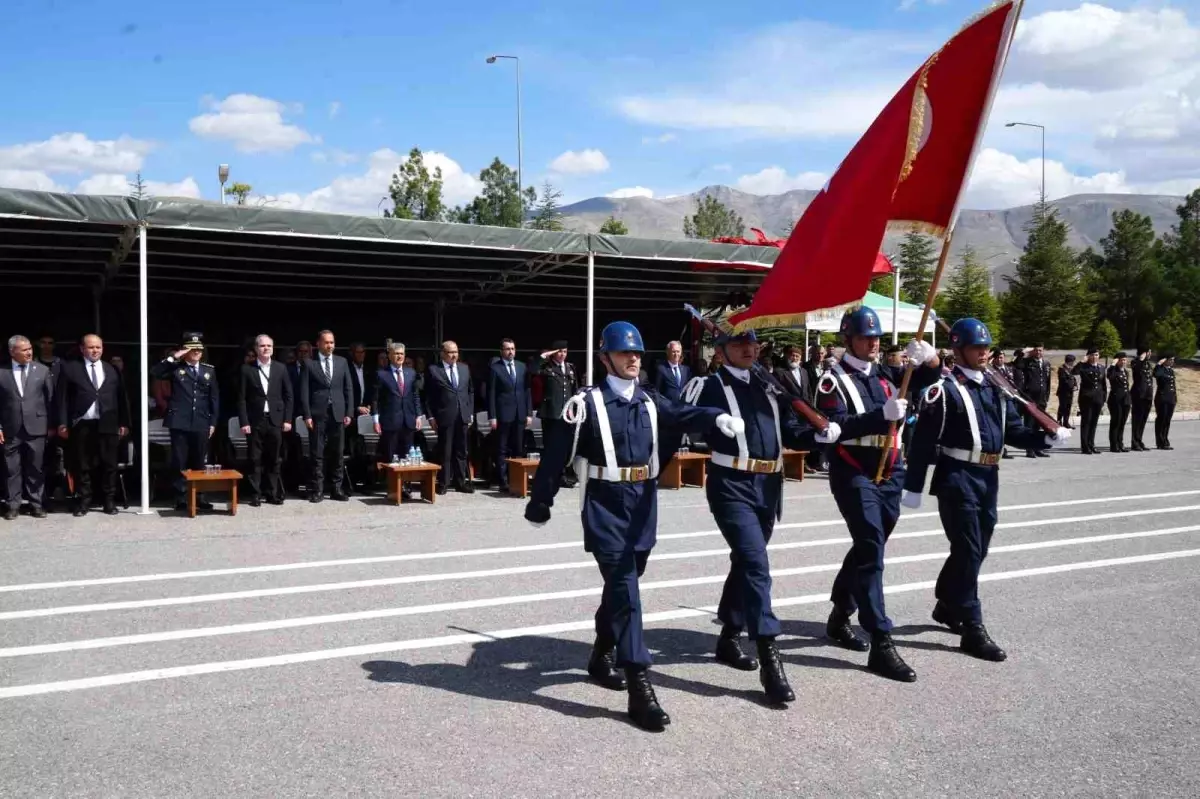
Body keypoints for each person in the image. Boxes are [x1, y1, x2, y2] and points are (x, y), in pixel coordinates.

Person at [524, 321, 739, 731]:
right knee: (626, 588)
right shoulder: (585, 404)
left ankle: (600, 651)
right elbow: (555, 454)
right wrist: (541, 501)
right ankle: (640, 686)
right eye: (624, 353)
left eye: (637, 352)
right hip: (605, 505)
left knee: (624, 585)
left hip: (642, 504)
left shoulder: (651, 400)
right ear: (605, 358)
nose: (633, 358)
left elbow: (684, 413)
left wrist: (716, 418)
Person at [904, 318, 1071, 660]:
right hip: (957, 477)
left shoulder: (995, 387)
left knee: (978, 549)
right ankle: (972, 626)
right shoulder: (946, 390)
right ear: (958, 350)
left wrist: (1044, 437)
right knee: (967, 549)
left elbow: (1012, 430)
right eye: (977, 348)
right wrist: (914, 487)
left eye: (986, 348)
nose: (984, 353)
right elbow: (921, 442)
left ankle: (948, 602)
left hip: (988, 476)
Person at [691, 328, 841, 704]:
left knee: (746, 562)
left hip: (769, 486)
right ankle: (769, 654)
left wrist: (816, 436)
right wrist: (712, 419)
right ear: (722, 351)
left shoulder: (769, 385)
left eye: (751, 344)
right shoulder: (710, 385)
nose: (747, 349)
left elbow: (788, 432)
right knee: (757, 564)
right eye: (738, 343)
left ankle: (728, 635)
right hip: (732, 484)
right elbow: (688, 417)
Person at [817, 306, 940, 682]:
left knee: (870, 545)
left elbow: (925, 379)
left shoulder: (888, 375)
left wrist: (930, 358)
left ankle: (841, 610)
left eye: (876, 338)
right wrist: (880, 416)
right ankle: (881, 639)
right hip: (855, 471)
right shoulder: (831, 380)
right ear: (847, 339)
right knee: (871, 545)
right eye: (864, 337)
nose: (872, 343)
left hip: (891, 471)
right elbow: (832, 426)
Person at [56, 334, 130, 516]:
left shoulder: (112, 369)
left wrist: (124, 422)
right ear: (82, 349)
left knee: (109, 464)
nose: (95, 350)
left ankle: (109, 501)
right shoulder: (70, 369)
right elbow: (62, 398)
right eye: (91, 347)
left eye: (98, 347)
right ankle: (84, 501)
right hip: (82, 424)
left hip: (108, 423)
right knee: (82, 464)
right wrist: (62, 423)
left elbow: (122, 398)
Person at [150, 333, 219, 513]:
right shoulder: (175, 367)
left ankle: (200, 496)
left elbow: (214, 399)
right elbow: (156, 372)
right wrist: (175, 356)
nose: (196, 351)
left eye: (198, 349)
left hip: (201, 421)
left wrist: (213, 422)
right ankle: (180, 497)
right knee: (179, 461)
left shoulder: (208, 370)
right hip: (179, 421)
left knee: (200, 460)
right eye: (191, 348)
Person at [0, 335, 55, 519]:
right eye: (24, 350)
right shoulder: (2, 372)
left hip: (37, 427)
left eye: (30, 348)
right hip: (10, 428)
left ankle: (36, 503)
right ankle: (13, 505)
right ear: (12, 351)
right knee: (11, 469)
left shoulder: (42, 370)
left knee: (35, 467)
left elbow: (50, 400)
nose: (29, 352)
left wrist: (51, 425)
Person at [238, 334, 293, 507]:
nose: (266, 348)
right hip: (256, 420)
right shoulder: (247, 369)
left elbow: (288, 395)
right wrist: (244, 422)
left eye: (269, 346)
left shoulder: (281, 368)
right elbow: (241, 398)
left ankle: (272, 493)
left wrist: (287, 419)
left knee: (274, 458)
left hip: (275, 420)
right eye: (262, 346)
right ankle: (255, 494)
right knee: (255, 458)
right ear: (256, 349)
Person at [299, 330, 354, 502]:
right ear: (318, 344)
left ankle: (336, 488)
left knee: (337, 452)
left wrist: (349, 412)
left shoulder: (342, 362)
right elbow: (304, 391)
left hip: (338, 412)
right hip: (318, 413)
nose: (329, 345)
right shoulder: (309, 364)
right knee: (317, 453)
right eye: (326, 342)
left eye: (332, 342)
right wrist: (307, 415)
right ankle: (318, 489)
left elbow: (348, 389)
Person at [373, 342, 424, 498]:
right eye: (396, 353)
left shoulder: (410, 373)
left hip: (408, 420)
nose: (399, 356)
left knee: (407, 456)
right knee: (391, 456)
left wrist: (418, 415)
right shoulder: (381, 374)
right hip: (390, 420)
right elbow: (375, 399)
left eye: (402, 353)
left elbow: (415, 395)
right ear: (390, 355)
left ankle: (406, 488)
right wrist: (375, 419)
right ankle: (392, 488)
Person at [425, 340, 474, 494]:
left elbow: (470, 391)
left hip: (463, 415)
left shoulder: (464, 368)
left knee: (461, 450)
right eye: (450, 352)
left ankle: (461, 482)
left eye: (456, 352)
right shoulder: (434, 370)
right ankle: (443, 482)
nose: (454, 355)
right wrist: (431, 417)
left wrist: (469, 411)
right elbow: (428, 396)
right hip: (444, 415)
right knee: (445, 451)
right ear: (442, 354)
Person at [487, 338, 532, 493]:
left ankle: (517, 479)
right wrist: (492, 415)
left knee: (518, 448)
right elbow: (491, 393)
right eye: (507, 349)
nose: (511, 352)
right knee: (502, 448)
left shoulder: (521, 367)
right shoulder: (495, 368)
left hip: (520, 413)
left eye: (513, 348)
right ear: (501, 351)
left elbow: (526, 391)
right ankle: (503, 481)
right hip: (503, 414)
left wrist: (529, 412)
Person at [538, 341, 578, 487]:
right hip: (550, 413)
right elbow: (532, 369)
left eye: (565, 351)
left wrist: (573, 409)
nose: (562, 355)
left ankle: (562, 476)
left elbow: (575, 390)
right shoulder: (546, 367)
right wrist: (544, 355)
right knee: (549, 447)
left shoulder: (570, 367)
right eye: (560, 351)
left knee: (564, 447)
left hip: (566, 414)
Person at [1015, 344, 1051, 458]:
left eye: (1040, 350)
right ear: (1033, 351)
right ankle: (1029, 449)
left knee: (1038, 424)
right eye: (1036, 350)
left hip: (1041, 397)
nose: (1039, 352)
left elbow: (1047, 381)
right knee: (1029, 424)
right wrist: (1023, 353)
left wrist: (1046, 396)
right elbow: (1017, 365)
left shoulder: (1046, 364)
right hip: (1030, 397)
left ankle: (1037, 448)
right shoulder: (1027, 362)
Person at [1073, 349, 1106, 455]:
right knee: (1086, 422)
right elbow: (1074, 372)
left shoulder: (1101, 367)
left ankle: (1091, 444)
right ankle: (1085, 446)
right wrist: (1082, 361)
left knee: (1094, 423)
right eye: (1092, 355)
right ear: (1088, 356)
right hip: (1086, 398)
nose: (1095, 356)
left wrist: (1103, 398)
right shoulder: (1084, 367)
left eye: (1096, 354)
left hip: (1098, 398)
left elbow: (1103, 384)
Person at [1130, 348, 1155, 451]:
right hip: (1138, 395)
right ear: (1143, 353)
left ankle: (1139, 440)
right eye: (1148, 352)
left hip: (1147, 396)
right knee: (1137, 420)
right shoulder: (1135, 362)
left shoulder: (1147, 364)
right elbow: (1136, 372)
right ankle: (1134, 442)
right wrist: (1141, 359)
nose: (1150, 354)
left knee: (1143, 419)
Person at [1106, 352, 1131, 453]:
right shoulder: (1113, 370)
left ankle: (1120, 444)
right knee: (1116, 423)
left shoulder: (1125, 371)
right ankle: (1114, 445)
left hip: (1125, 400)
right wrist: (1112, 365)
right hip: (1115, 400)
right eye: (1122, 360)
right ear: (1117, 361)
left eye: (1125, 360)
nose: (1124, 362)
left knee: (1122, 423)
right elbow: (1110, 377)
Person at [1154, 355, 1177, 451]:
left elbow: (1173, 385)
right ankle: (1160, 442)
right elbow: (1156, 375)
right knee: (1161, 420)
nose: (1172, 361)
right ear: (1164, 360)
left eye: (1173, 360)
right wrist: (1159, 364)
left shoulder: (1170, 370)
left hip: (1170, 398)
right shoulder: (1161, 369)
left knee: (1167, 421)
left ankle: (1165, 440)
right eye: (1170, 359)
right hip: (1162, 398)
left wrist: (1175, 398)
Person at [1056, 354, 1077, 429]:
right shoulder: (1062, 369)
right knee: (1062, 407)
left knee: (1068, 407)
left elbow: (1073, 379)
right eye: (1073, 361)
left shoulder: (1071, 369)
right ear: (1070, 361)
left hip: (1070, 392)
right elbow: (1063, 380)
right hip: (1063, 392)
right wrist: (1071, 386)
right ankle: (1059, 421)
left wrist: (1075, 385)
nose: (1073, 363)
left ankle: (1066, 422)